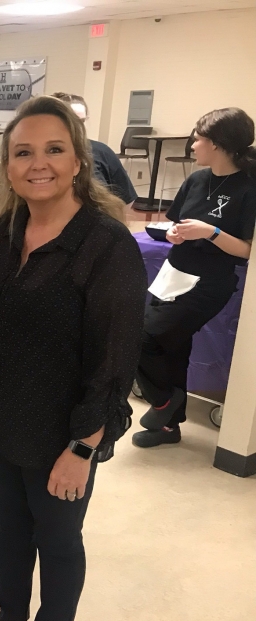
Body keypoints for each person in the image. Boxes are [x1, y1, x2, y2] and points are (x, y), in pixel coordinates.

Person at [0, 96, 146, 621]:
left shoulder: (105, 244)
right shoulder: (3, 232)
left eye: (53, 150)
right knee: (10, 531)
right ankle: (10, 620)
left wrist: (83, 447)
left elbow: (114, 361)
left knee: (59, 541)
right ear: (7, 165)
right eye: (23, 152)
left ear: (77, 162)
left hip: (63, 433)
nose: (37, 163)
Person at [133, 108, 256, 448]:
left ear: (218, 145)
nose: (192, 144)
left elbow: (247, 250)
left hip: (209, 283)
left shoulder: (248, 189)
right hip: (175, 273)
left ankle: (163, 402)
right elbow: (177, 222)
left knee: (142, 338)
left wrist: (211, 231)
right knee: (172, 349)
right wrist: (176, 232)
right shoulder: (196, 180)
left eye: (198, 138)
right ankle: (169, 427)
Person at [52, 92, 137, 205]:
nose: (78, 126)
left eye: (81, 121)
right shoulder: (42, 155)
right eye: (70, 120)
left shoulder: (102, 152)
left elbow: (126, 200)